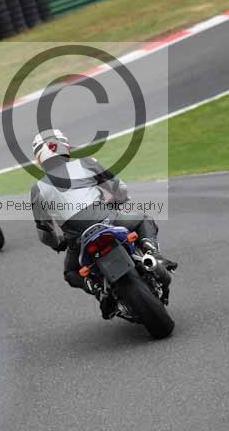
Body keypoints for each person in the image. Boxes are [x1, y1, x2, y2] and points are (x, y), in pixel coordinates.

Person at [30, 129, 177, 318]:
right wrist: (116, 201)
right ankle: (152, 253)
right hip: (109, 220)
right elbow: (120, 190)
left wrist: (58, 243)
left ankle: (98, 289)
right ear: (65, 146)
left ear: (39, 157)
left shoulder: (38, 189)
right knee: (143, 219)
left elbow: (44, 231)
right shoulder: (86, 163)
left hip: (78, 239)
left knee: (71, 273)